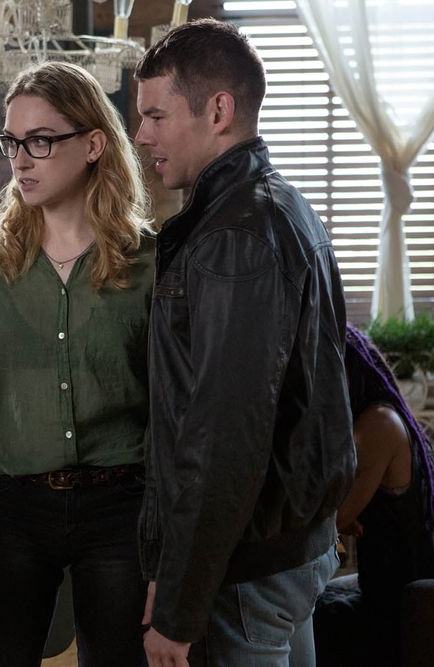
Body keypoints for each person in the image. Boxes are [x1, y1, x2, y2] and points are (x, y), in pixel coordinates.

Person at [133, 19, 356, 666]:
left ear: (219, 111)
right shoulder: (285, 207)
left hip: (247, 569)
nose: (141, 135)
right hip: (293, 551)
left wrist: (179, 604)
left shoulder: (235, 236)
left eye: (155, 115)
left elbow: (223, 437)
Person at [0, 61, 155, 667]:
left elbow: (172, 415)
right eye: (12, 142)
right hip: (14, 509)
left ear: (93, 144)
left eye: (40, 141)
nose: (20, 160)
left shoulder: (148, 262)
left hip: (121, 507)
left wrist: (169, 557)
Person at [313, 324, 434, 665]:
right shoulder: (376, 418)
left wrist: (339, 522)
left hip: (428, 604)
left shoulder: (377, 425)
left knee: (311, 621)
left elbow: (331, 523)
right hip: (411, 591)